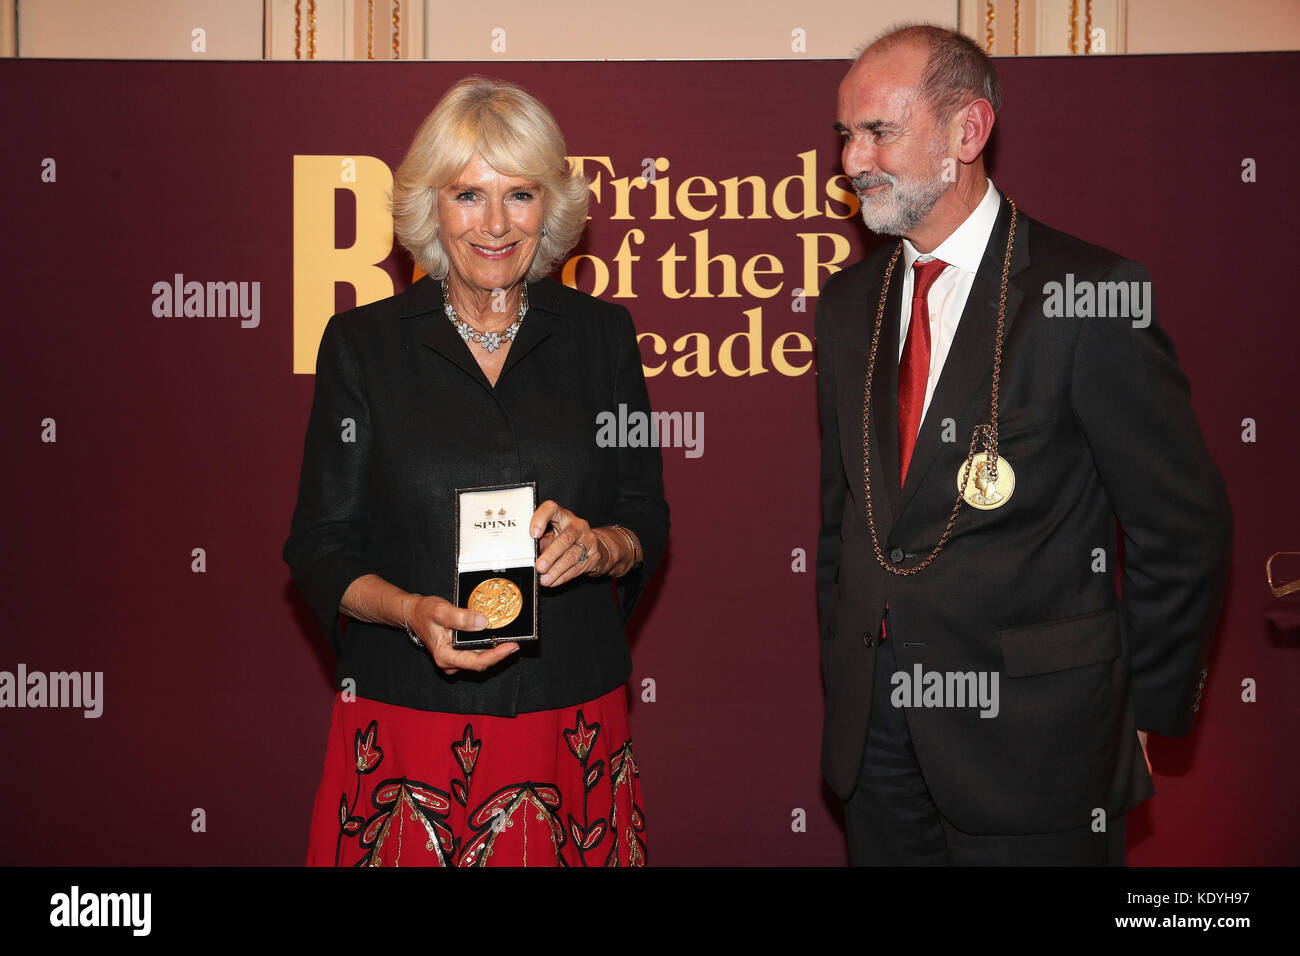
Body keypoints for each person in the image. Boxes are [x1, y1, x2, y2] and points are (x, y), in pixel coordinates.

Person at [815, 24, 1231, 865]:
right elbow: (844, 521)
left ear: (967, 132)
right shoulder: (848, 302)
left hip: (1041, 746)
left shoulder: (1090, 295)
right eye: (846, 135)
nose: (852, 160)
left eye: (879, 132)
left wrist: (1138, 713)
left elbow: (1183, 528)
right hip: (877, 745)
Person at [283, 76, 668, 867]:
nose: (495, 225)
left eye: (519, 195)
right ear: (432, 206)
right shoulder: (363, 345)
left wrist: (602, 547)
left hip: (572, 714)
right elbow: (319, 547)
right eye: (468, 195)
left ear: (549, 208)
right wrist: (410, 611)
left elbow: (645, 514)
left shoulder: (602, 337)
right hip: (408, 716)